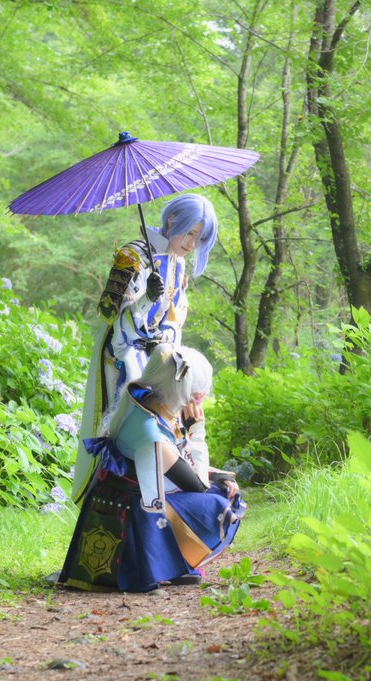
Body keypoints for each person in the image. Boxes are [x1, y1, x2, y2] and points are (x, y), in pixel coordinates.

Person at [58, 344, 244, 593]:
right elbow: (196, 485)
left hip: (133, 500)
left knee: (222, 486)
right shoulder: (150, 433)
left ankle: (173, 563)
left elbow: (181, 463)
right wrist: (197, 430)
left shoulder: (148, 401)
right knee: (219, 502)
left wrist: (218, 475)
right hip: (132, 517)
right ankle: (164, 565)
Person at [71, 193, 219, 504]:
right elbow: (110, 315)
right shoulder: (133, 255)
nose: (192, 244)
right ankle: (111, 498)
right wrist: (146, 299)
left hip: (158, 358)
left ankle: (163, 491)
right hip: (123, 356)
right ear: (172, 220)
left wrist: (166, 346)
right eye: (190, 233)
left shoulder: (177, 263)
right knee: (123, 425)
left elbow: (174, 319)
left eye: (200, 238)